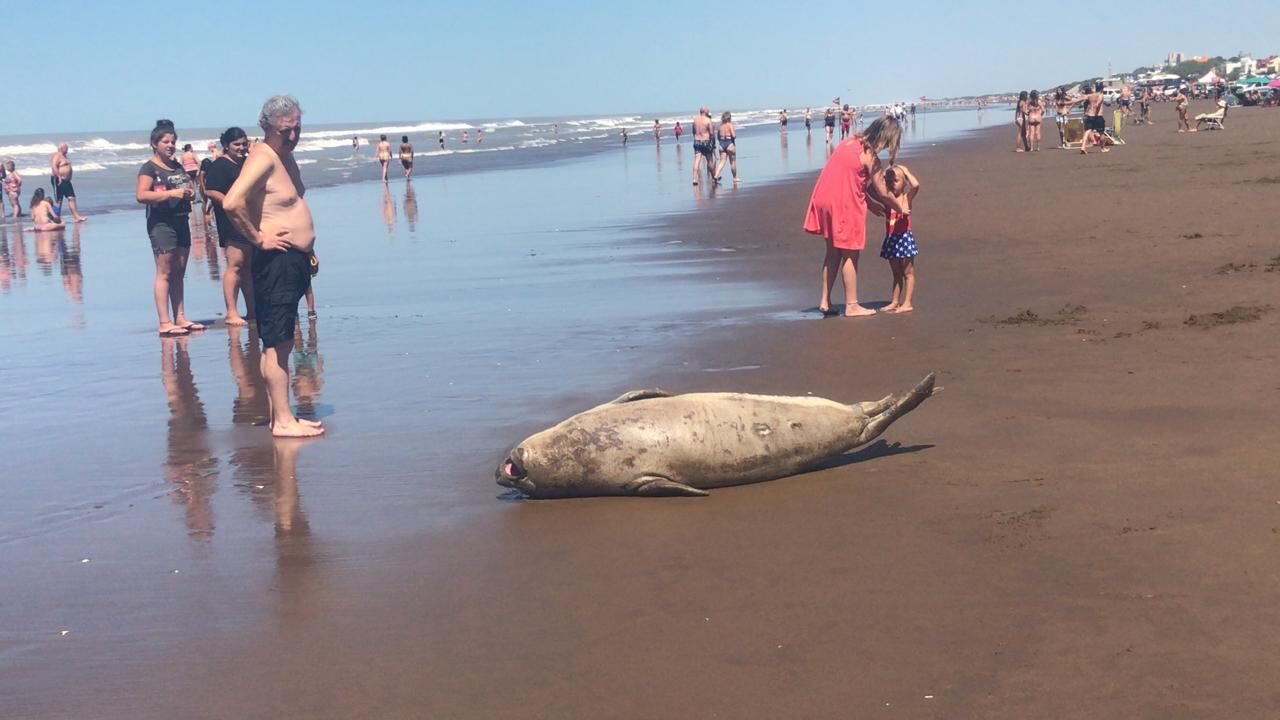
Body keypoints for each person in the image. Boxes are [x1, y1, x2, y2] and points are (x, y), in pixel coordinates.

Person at [222, 95, 323, 437]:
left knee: (282, 341)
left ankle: (279, 413)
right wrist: (258, 237)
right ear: (266, 128)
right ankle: (282, 421)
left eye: (297, 128)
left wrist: (310, 250)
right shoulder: (263, 157)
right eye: (285, 131)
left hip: (293, 258)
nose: (293, 136)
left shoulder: (284, 155)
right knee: (278, 343)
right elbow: (232, 202)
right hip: (276, 259)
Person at [802, 117, 909, 318]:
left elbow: (850, 177)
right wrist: (900, 208)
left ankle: (825, 300)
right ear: (885, 138)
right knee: (850, 253)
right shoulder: (870, 156)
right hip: (844, 204)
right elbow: (883, 192)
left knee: (832, 251)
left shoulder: (848, 142)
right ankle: (852, 305)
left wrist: (869, 204)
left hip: (824, 197)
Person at [136, 119, 201, 337]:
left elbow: (184, 184)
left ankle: (180, 316)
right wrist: (171, 194)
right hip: (161, 223)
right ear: (155, 143)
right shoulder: (149, 168)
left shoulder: (177, 165)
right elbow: (141, 195)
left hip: (182, 220)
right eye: (166, 141)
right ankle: (164, 321)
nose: (170, 145)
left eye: (173, 141)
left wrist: (189, 192)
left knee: (179, 271)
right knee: (164, 271)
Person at [202, 126, 255, 326]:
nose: (241, 148)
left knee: (249, 267)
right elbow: (210, 190)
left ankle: (252, 310)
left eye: (244, 143)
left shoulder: (247, 164)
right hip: (230, 221)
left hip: (248, 219)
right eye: (236, 144)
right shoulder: (220, 165)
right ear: (226, 146)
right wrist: (228, 203)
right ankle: (231, 312)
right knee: (235, 265)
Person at [878, 165, 920, 313]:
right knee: (896, 274)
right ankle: (895, 301)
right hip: (891, 240)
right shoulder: (887, 199)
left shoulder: (906, 198)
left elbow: (916, 185)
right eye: (889, 181)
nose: (892, 184)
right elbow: (872, 189)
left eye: (895, 180)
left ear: (903, 182)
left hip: (904, 239)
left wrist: (906, 172)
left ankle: (907, 302)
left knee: (907, 272)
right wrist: (883, 176)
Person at [49, 143, 87, 222]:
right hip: (58, 180)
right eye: (66, 148)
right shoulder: (57, 155)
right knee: (59, 200)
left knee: (71, 198)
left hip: (66, 181)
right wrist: (59, 176)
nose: (68, 149)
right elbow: (54, 166)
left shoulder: (65, 156)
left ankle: (76, 217)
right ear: (62, 148)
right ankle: (56, 218)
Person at [1078, 82, 1109, 154]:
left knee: (1087, 132)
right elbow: (1098, 102)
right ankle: (1103, 148)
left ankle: (1083, 147)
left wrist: (1070, 103)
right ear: (1101, 88)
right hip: (1098, 116)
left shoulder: (1090, 95)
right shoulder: (1100, 95)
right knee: (1101, 133)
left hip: (1090, 116)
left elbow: (1080, 99)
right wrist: (1096, 105)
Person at [690, 106, 715, 185]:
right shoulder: (708, 120)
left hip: (697, 141)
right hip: (706, 141)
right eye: (708, 111)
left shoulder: (695, 119)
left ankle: (694, 179)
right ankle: (714, 176)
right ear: (705, 111)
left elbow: (693, 131)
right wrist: (712, 142)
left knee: (697, 160)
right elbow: (711, 133)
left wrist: (696, 136)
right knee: (709, 159)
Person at [714, 111, 739, 184]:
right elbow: (734, 136)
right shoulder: (730, 125)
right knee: (732, 161)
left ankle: (716, 175)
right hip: (729, 143)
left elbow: (718, 137)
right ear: (729, 118)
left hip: (721, 144)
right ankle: (734, 178)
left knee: (722, 161)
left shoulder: (720, 126)